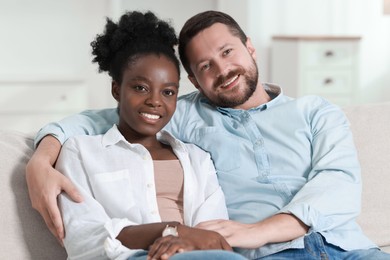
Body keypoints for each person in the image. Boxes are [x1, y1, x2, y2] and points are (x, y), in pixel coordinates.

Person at [26, 10, 390, 260]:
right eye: (205, 67)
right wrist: (41, 160)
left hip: (350, 248)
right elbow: (105, 119)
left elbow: (338, 181)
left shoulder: (316, 112)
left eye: (228, 52)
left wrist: (261, 230)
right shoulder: (186, 115)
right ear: (196, 81)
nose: (223, 71)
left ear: (249, 47)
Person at [50, 10, 246, 260]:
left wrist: (185, 242)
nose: (155, 101)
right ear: (116, 89)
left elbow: (214, 237)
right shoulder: (82, 151)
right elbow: (83, 236)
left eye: (168, 92)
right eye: (141, 88)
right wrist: (170, 231)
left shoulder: (197, 158)